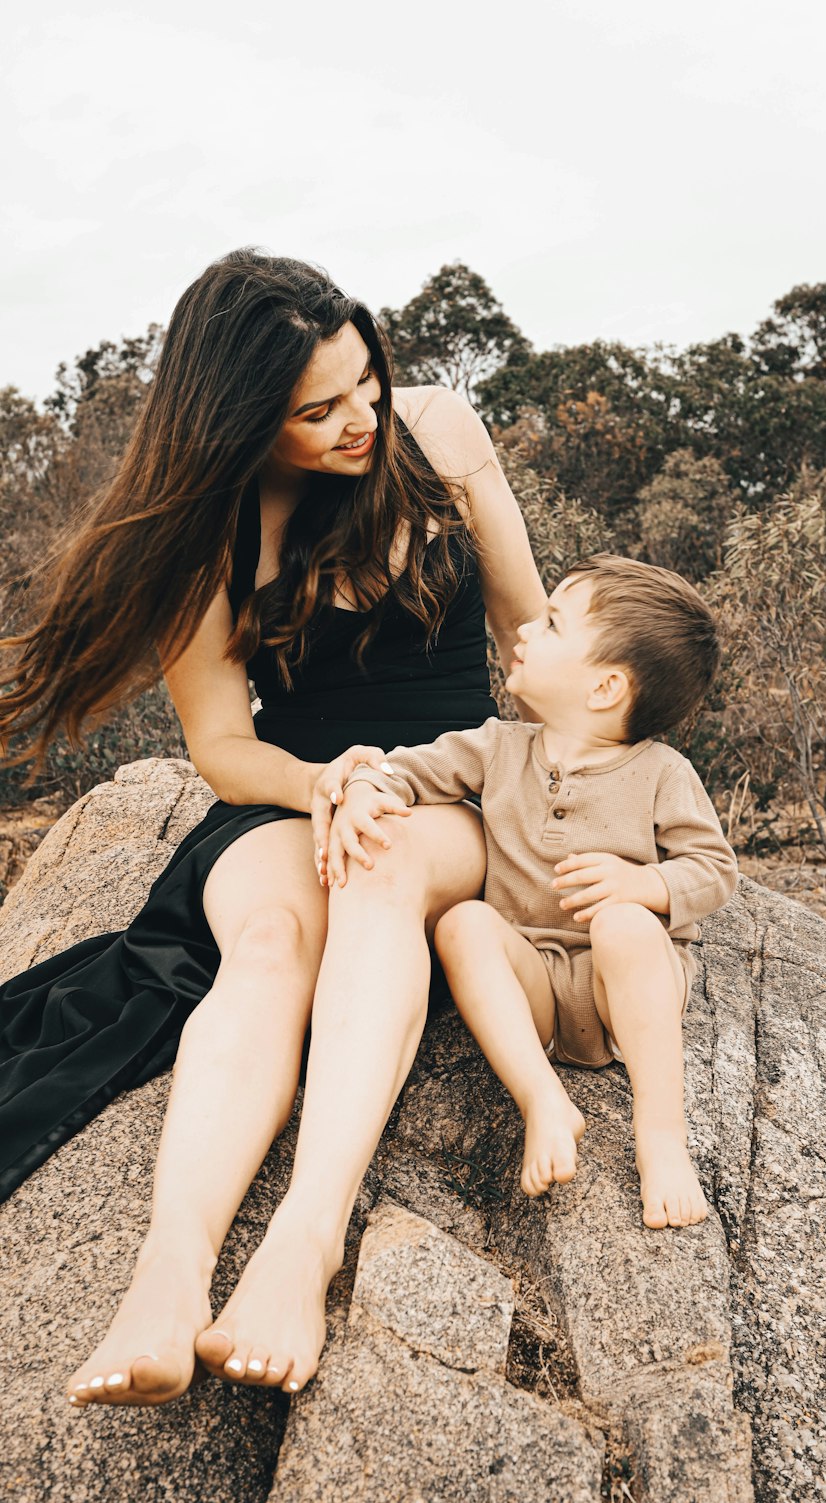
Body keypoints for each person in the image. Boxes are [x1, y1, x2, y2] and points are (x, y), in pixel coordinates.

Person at [0, 249, 546, 1406]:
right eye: (318, 410)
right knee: (260, 949)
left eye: (365, 385)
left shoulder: (439, 430)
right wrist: (326, 782)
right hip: (295, 785)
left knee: (384, 868)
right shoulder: (205, 531)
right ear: (243, 419)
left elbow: (530, 635)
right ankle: (167, 1277)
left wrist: (585, 800)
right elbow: (220, 745)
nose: (359, 420)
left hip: (452, 784)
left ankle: (306, 1240)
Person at [329, 555, 738, 1230]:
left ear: (605, 687)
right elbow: (413, 771)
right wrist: (371, 787)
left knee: (625, 927)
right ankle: (542, 1097)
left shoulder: (663, 773)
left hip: (622, 992)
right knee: (463, 924)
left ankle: (661, 1137)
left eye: (551, 624)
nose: (524, 629)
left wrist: (646, 884)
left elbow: (715, 869)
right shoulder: (500, 747)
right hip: (537, 985)